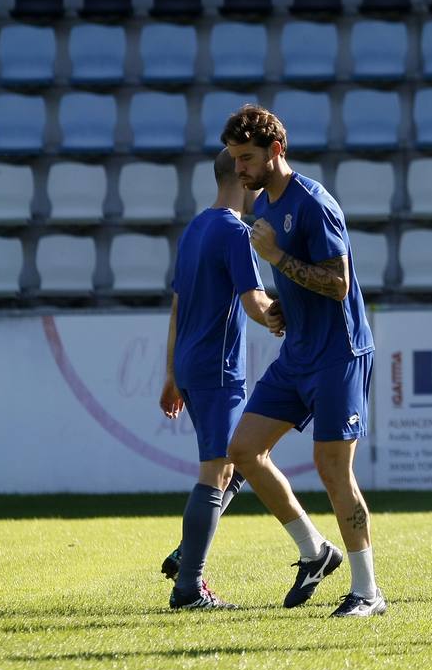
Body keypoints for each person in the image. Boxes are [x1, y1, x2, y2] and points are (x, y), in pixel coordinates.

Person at [221, 105, 386, 618]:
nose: (238, 169)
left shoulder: (313, 202)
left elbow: (339, 283)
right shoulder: (264, 208)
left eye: (246, 157)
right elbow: (301, 282)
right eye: (233, 159)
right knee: (244, 450)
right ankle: (316, 551)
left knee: (333, 468)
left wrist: (278, 262)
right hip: (298, 353)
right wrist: (281, 312)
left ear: (276, 150)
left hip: (338, 354)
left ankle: (368, 593)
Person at [159, 149, 284, 610]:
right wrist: (294, 314)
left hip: (192, 365)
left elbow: (177, 306)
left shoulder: (195, 227)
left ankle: (187, 553)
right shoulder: (235, 231)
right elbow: (255, 305)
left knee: (240, 459)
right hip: (217, 368)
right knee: (220, 468)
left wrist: (171, 371)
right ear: (244, 176)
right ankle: (189, 587)